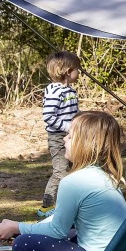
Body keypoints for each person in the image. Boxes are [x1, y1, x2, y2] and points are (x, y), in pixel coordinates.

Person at [0, 111, 126, 251]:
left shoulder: (73, 182)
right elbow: (62, 222)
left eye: (70, 136)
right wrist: (27, 228)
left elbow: (57, 231)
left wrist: (17, 228)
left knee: (23, 245)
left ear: (85, 144)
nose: (64, 138)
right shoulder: (104, 176)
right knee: (61, 233)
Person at [39, 50, 81, 216]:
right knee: (61, 171)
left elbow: (72, 113)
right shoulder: (55, 92)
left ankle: (71, 204)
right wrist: (68, 127)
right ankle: (47, 206)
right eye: (77, 69)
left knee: (73, 169)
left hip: (71, 136)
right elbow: (48, 116)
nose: (79, 72)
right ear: (68, 72)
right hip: (58, 138)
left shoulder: (69, 91)